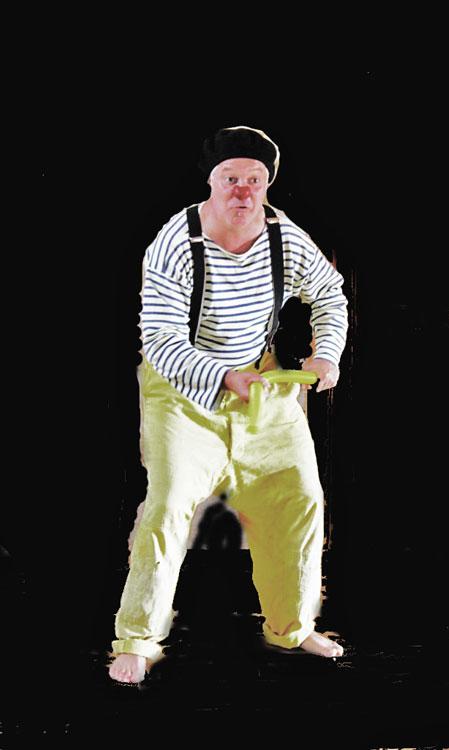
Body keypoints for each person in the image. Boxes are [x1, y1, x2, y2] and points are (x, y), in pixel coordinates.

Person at [107, 125, 349, 684]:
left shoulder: (285, 238)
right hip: (182, 390)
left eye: (255, 179)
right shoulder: (176, 241)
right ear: (212, 182)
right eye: (231, 178)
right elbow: (160, 338)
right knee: (168, 505)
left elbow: (329, 294)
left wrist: (325, 354)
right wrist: (221, 376)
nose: (243, 190)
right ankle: (137, 640)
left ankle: (292, 627)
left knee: (300, 497)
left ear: (267, 185)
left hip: (260, 382)